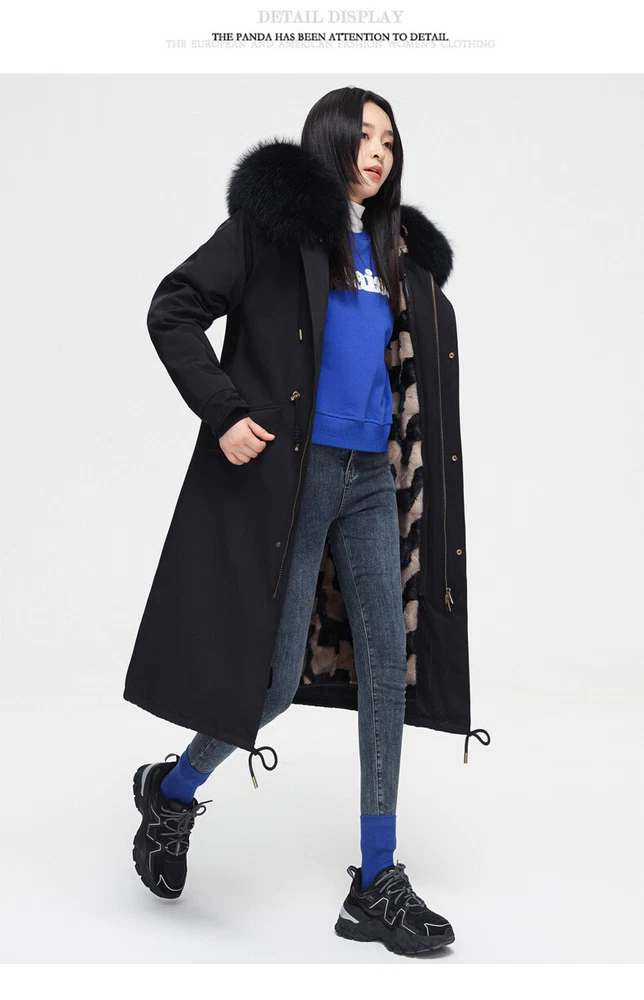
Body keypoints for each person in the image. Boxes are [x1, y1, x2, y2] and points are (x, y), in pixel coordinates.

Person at [126, 86, 489, 957]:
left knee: (388, 671)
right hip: (291, 478)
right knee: (277, 679)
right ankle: (171, 793)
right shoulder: (273, 229)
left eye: (390, 139)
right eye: (364, 135)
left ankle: (377, 880)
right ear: (329, 139)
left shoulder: (397, 251)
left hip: (371, 481)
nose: (379, 151)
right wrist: (223, 410)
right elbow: (173, 307)